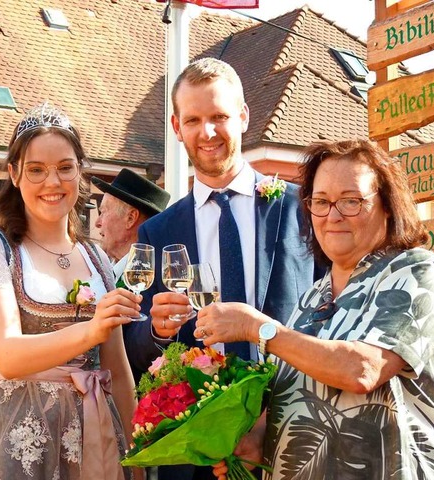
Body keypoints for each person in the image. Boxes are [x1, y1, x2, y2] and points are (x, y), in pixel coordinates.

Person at [196, 139, 434, 479]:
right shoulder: (311, 299)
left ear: (387, 205)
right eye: (321, 202)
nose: (333, 215)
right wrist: (255, 442)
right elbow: (295, 402)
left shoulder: (415, 272)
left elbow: (362, 370)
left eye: (351, 201)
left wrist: (258, 328)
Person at [126, 57, 317, 479]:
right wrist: (155, 331)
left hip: (296, 430)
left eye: (219, 116)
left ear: (244, 117)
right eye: (193, 119)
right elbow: (133, 344)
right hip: (199, 454)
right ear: (177, 128)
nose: (207, 132)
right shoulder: (158, 231)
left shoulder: (301, 207)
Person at [0, 103, 141, 480]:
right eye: (36, 170)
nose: (53, 182)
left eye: (65, 168)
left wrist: (136, 456)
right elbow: (7, 356)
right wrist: (90, 329)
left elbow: (116, 370)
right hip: (18, 443)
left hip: (96, 437)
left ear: (80, 172)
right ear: (14, 175)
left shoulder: (97, 257)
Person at [92, 168, 170, 286]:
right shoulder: (104, 272)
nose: (97, 222)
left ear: (131, 218)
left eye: (103, 212)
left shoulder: (155, 281)